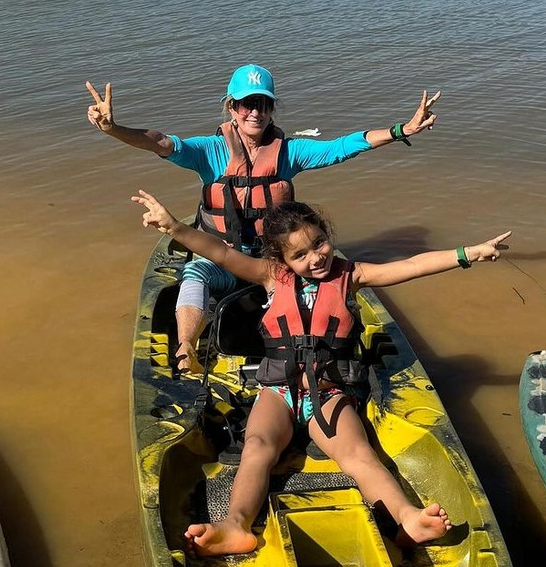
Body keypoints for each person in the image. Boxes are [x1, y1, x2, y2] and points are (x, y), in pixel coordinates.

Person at [130, 189, 511, 558]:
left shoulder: (353, 275)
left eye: (320, 243)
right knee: (257, 448)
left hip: (328, 394)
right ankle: (235, 525)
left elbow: (410, 266)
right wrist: (174, 227)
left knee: (359, 454)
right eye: (300, 254)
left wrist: (469, 253)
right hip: (278, 392)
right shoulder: (268, 276)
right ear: (281, 260)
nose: (316, 257)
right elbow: (219, 252)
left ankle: (407, 518)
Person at [87, 65, 440, 372]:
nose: (254, 112)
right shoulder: (210, 151)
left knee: (319, 289)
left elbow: (342, 147)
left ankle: (322, 353)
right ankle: (186, 350)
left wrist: (400, 131)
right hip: (224, 258)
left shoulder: (289, 152)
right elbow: (161, 142)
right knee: (194, 273)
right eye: (246, 104)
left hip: (277, 262)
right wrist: (114, 129)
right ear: (232, 107)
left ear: (271, 109)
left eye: (262, 104)